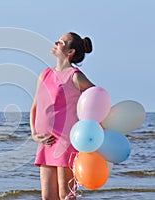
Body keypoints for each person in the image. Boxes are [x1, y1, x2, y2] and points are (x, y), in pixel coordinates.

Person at [30, 32, 95, 200]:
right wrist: (34, 134)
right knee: (47, 197)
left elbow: (97, 98)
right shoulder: (45, 74)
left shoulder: (75, 76)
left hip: (65, 142)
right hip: (45, 142)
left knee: (65, 196)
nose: (55, 43)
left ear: (70, 52)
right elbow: (35, 107)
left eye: (60, 42)